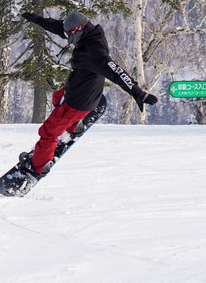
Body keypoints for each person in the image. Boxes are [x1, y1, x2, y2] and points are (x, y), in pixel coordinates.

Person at [20, 10, 159, 176]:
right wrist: (35, 18)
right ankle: (74, 125)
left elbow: (117, 73)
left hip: (77, 102)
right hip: (86, 93)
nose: (67, 37)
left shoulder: (95, 53)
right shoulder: (90, 34)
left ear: (78, 30)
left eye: (69, 34)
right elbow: (59, 27)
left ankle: (39, 166)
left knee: (48, 132)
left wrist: (138, 94)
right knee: (57, 97)